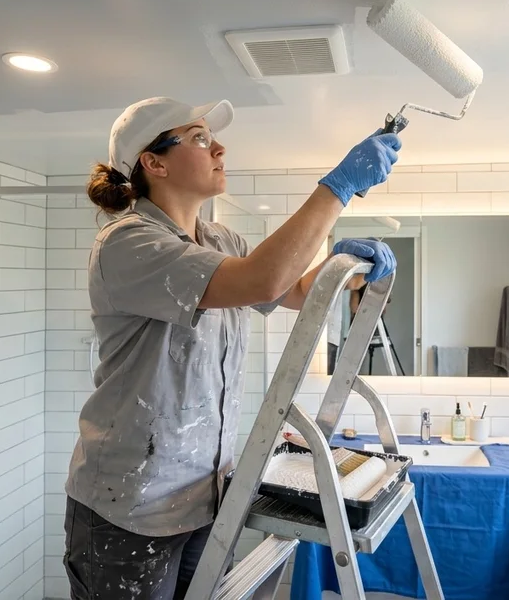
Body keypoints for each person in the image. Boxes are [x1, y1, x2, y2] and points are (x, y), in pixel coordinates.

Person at [63, 96, 400, 600]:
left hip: (203, 495)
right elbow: (264, 281)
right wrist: (338, 188)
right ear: (154, 163)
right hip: (130, 506)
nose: (219, 147)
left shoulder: (222, 240)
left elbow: (292, 290)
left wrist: (344, 271)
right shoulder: (129, 242)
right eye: (199, 138)